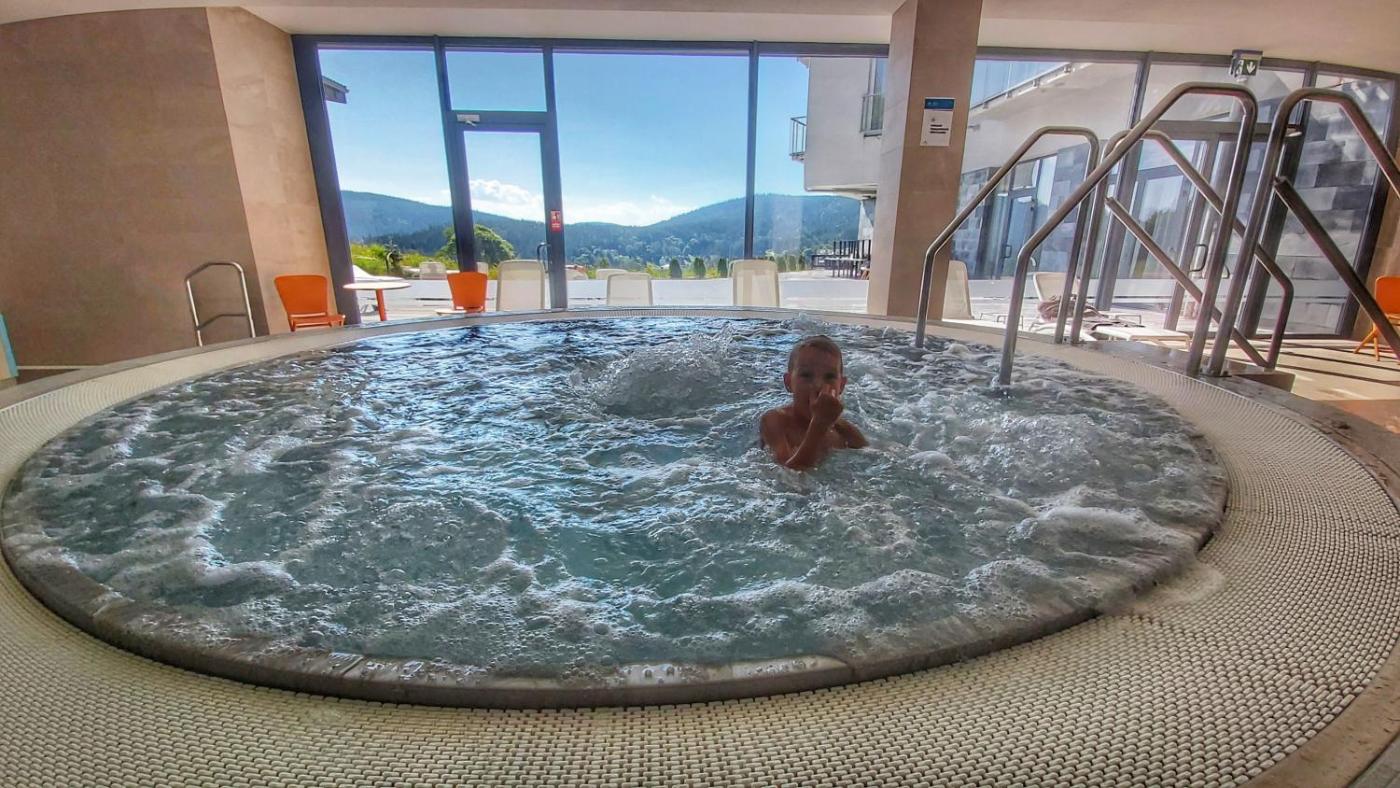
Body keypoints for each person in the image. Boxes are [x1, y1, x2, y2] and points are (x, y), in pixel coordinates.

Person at [759, 335, 868, 470]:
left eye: (829, 377)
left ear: (841, 386)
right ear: (788, 383)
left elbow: (876, 459)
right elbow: (787, 472)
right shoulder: (775, 420)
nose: (818, 385)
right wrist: (819, 425)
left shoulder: (843, 430)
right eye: (806, 375)